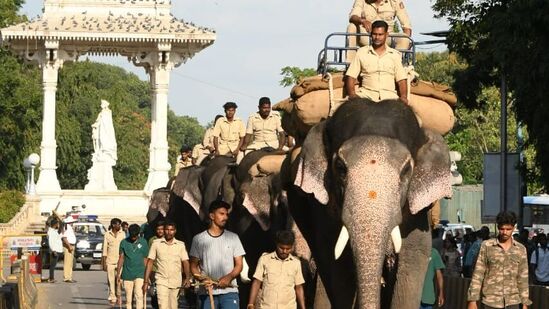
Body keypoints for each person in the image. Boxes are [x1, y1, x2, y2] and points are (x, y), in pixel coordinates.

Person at [467, 211, 532, 309]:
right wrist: (472, 300)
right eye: (502, 229)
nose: (505, 232)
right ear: (498, 227)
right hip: (491, 301)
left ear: (513, 228)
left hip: (513, 301)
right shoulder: (487, 246)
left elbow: (522, 277)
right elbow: (478, 273)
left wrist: (525, 302)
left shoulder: (520, 249)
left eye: (508, 229)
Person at [190, 200, 245, 309]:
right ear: (211, 216)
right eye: (221, 214)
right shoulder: (198, 239)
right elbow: (193, 266)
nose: (225, 217)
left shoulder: (234, 238)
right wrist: (202, 279)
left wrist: (229, 277)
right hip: (207, 293)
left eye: (226, 214)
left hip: (230, 292)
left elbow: (239, 264)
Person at [344, 20, 408, 104]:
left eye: (380, 34)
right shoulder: (362, 52)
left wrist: (403, 97)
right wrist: (352, 95)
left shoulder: (395, 55)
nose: (377, 37)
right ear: (371, 35)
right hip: (366, 95)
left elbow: (401, 80)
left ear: (386, 35)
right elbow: (351, 76)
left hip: (389, 97)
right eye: (374, 34)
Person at [247, 230, 306, 309]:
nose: (284, 251)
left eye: (288, 249)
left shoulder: (296, 263)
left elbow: (298, 287)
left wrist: (303, 307)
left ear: (292, 247)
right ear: (277, 244)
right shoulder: (265, 259)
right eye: (281, 248)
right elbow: (257, 282)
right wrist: (251, 304)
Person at [143, 221, 191, 309]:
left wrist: (187, 278)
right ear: (164, 231)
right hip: (161, 280)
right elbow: (150, 262)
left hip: (176, 281)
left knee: (174, 306)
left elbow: (185, 262)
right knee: (163, 306)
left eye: (171, 230)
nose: (169, 232)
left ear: (175, 231)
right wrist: (146, 281)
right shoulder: (156, 243)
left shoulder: (180, 245)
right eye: (167, 230)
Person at [346, 0, 412, 58]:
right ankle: (350, 64)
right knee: (352, 27)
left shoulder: (395, 2)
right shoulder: (362, 1)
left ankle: (395, 64)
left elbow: (406, 26)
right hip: (367, 36)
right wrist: (362, 21)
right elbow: (352, 17)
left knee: (405, 38)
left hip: (387, 38)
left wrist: (407, 42)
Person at [117, 224, 149, 309]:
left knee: (139, 295)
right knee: (128, 298)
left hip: (140, 273)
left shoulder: (143, 242)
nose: (133, 238)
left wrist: (147, 275)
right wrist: (118, 273)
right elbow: (121, 258)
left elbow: (145, 259)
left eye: (135, 236)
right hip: (127, 274)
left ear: (138, 234)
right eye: (132, 236)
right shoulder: (124, 242)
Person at [103, 218, 126, 304]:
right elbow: (104, 249)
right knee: (111, 280)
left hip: (120, 261)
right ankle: (112, 296)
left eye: (120, 224)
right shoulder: (107, 234)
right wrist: (104, 263)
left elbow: (125, 247)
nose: (119, 226)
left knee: (119, 280)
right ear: (113, 225)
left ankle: (119, 294)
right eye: (118, 224)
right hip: (110, 261)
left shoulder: (123, 234)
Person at [147, 221, 165, 309]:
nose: (160, 231)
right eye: (158, 229)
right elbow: (149, 257)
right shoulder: (152, 240)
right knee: (154, 292)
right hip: (154, 270)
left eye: (162, 229)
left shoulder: (168, 239)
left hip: (166, 270)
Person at [46, 218, 63, 283]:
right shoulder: (51, 232)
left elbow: (60, 230)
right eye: (57, 224)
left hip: (57, 249)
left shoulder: (54, 231)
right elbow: (51, 242)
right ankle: (51, 278)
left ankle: (51, 277)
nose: (58, 225)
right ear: (55, 224)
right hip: (54, 250)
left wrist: (61, 222)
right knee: (52, 265)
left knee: (53, 265)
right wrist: (53, 250)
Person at [61, 216, 77, 283]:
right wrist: (69, 246)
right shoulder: (66, 227)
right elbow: (64, 238)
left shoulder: (69, 228)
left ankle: (69, 277)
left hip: (71, 245)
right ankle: (67, 277)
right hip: (69, 245)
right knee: (67, 262)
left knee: (70, 262)